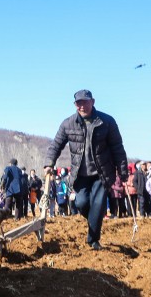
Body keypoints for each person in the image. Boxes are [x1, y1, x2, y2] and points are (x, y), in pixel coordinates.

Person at [44, 89, 128, 250]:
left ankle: (93, 240)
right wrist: (49, 163)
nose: (82, 106)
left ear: (93, 102)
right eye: (78, 103)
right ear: (75, 105)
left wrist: (123, 171)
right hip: (80, 174)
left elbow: (117, 147)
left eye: (85, 102)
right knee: (82, 203)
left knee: (98, 205)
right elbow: (56, 145)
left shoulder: (107, 121)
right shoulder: (68, 123)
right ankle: (94, 221)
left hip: (101, 173)